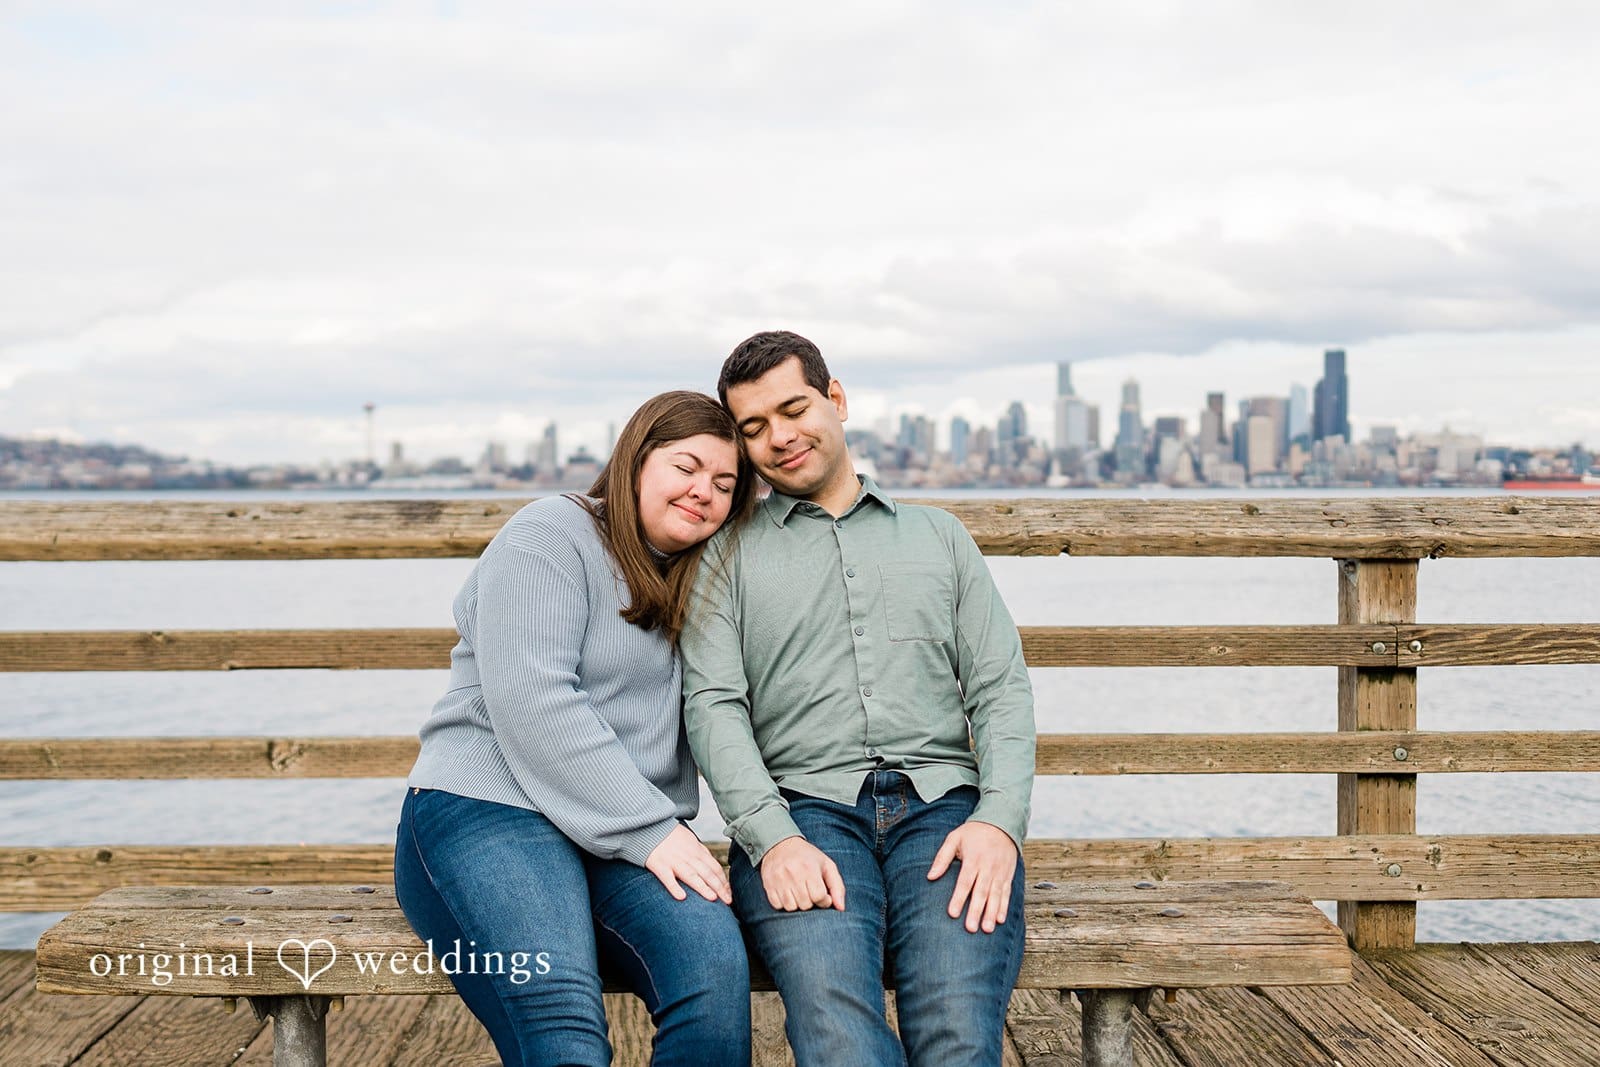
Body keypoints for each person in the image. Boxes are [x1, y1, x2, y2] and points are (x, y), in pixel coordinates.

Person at [681, 332, 1036, 1067]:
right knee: (839, 1038)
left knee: (958, 1038)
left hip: (944, 816)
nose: (779, 437)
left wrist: (999, 822)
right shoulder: (727, 553)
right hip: (803, 816)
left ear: (835, 399)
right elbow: (713, 705)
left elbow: (1000, 688)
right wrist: (772, 838)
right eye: (753, 427)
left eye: (793, 408)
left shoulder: (939, 537)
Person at [395, 390, 758, 1067]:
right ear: (636, 459)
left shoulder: (705, 579)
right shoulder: (551, 533)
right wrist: (652, 830)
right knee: (561, 1018)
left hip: (617, 841)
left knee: (713, 977)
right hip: (490, 811)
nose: (702, 490)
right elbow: (535, 700)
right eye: (687, 466)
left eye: (724, 483)